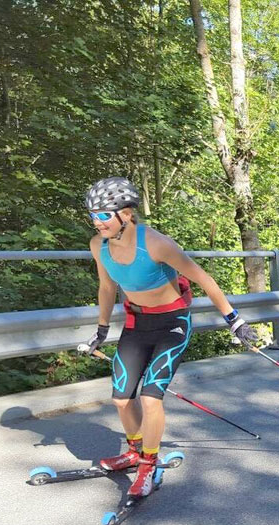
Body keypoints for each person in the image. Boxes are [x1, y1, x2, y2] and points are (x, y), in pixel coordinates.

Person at [84, 176, 258, 498]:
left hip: (172, 324)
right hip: (137, 324)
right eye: (93, 215)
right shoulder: (99, 246)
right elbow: (107, 288)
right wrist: (102, 329)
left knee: (150, 397)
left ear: (126, 213)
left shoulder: (155, 243)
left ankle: (149, 465)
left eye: (103, 215)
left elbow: (203, 278)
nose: (97, 222)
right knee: (122, 399)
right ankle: (135, 452)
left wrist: (235, 321)